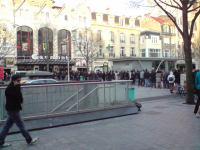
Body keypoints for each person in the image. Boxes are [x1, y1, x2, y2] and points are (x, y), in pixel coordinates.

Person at [0, 75, 38, 147]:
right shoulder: (9, 89)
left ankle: (1, 141)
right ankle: (29, 139)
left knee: (7, 126)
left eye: (20, 80)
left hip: (13, 110)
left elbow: (19, 96)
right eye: (18, 80)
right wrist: (17, 87)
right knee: (21, 125)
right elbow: (15, 95)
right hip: (12, 110)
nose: (19, 82)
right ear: (13, 80)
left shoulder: (14, 87)